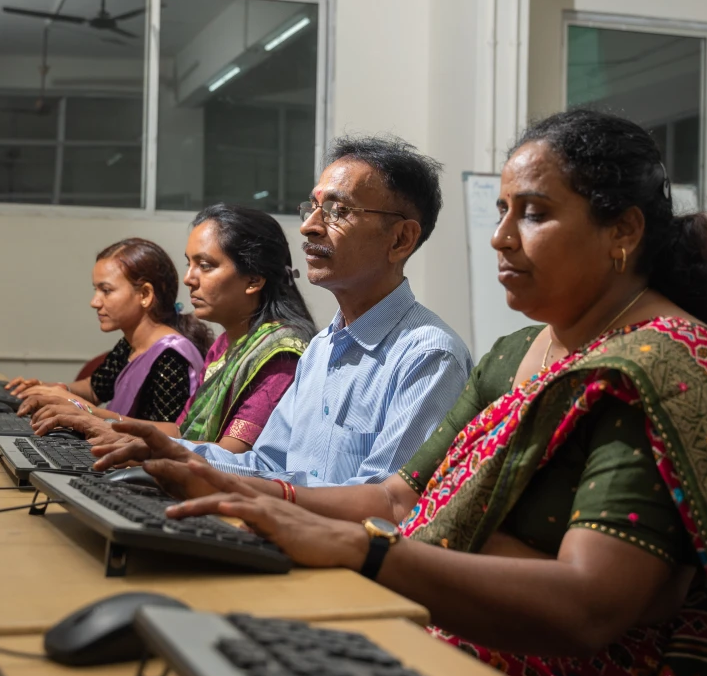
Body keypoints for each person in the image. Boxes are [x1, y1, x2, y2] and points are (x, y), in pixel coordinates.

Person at [98, 111, 707, 676]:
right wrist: (254, 495)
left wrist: (364, 553)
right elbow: (404, 498)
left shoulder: (659, 369)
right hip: (446, 622)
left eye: (532, 213)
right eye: (501, 210)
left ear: (622, 232)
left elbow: (590, 608)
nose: (499, 238)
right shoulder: (512, 356)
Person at [97, 135, 474, 487]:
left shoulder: (428, 356)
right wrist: (163, 450)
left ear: (401, 239)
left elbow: (385, 503)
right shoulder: (321, 349)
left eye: (337, 211)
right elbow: (265, 465)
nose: (309, 227)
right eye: (312, 207)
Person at [19, 205, 317, 454]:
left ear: (253, 280)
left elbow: (230, 455)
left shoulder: (279, 355)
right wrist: (87, 415)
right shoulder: (226, 344)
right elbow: (180, 429)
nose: (189, 279)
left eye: (206, 265)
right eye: (189, 264)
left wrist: (99, 423)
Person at [4, 238, 211, 423]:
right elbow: (95, 389)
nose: (94, 302)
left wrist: (79, 408)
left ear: (145, 294)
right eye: (96, 290)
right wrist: (53, 389)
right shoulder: (130, 343)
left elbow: (169, 434)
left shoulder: (171, 356)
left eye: (106, 291)